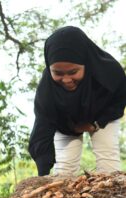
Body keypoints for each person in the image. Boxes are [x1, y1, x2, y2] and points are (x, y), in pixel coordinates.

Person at [29, 26, 126, 177]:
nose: (67, 80)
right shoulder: (46, 91)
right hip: (66, 123)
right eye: (58, 73)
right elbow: (42, 131)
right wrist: (43, 173)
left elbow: (118, 101)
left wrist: (96, 124)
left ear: (86, 63)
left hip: (103, 116)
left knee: (109, 167)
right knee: (64, 172)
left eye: (73, 72)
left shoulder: (111, 72)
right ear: (49, 68)